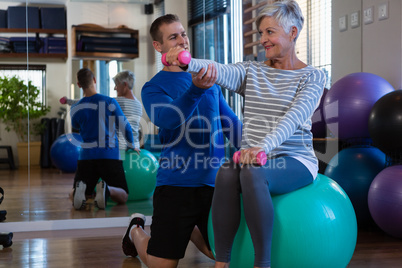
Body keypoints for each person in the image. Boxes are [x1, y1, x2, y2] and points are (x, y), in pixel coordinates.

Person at [165, 1, 326, 267]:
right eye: (261, 33)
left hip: (295, 159)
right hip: (254, 157)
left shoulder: (313, 76)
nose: (262, 40)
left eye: (270, 32)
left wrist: (262, 147)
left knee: (251, 170)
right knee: (228, 170)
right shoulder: (252, 71)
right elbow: (218, 69)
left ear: (293, 32)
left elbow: (294, 117)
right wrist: (187, 62)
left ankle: (261, 263)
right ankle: (222, 261)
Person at [121, 14, 242, 268]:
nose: (182, 40)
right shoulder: (153, 87)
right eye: (173, 36)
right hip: (176, 184)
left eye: (183, 34)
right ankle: (134, 229)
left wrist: (257, 147)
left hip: (215, 184)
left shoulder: (209, 79)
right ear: (159, 46)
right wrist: (195, 89)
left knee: (222, 255)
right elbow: (167, 119)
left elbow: (230, 122)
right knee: (161, 265)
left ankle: (186, 229)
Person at [69, 68, 135, 210]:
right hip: (109, 155)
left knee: (73, 192)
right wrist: (132, 144)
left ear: (79, 85)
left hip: (86, 157)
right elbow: (126, 127)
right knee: (123, 196)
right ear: (94, 80)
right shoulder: (109, 101)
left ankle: (83, 192)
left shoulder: (76, 108)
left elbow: (75, 126)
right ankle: (107, 190)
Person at [61, 70, 142, 153]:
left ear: (125, 85)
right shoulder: (139, 105)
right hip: (135, 149)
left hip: (121, 149)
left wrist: (68, 101)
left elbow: (88, 101)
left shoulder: (116, 102)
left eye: (116, 85)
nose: (115, 88)